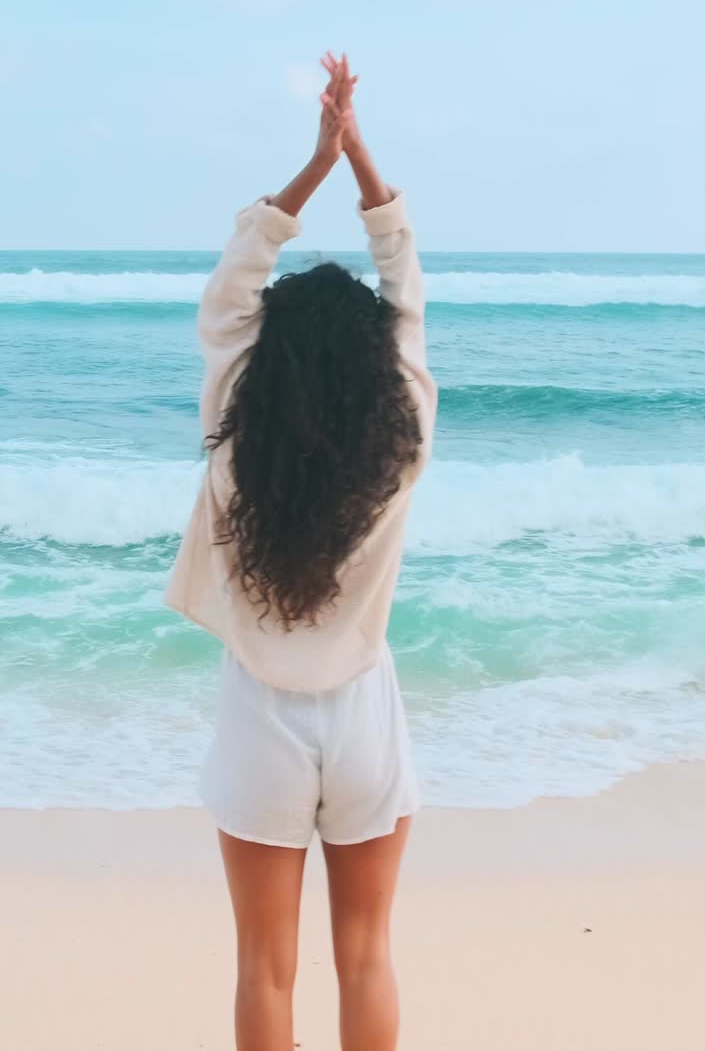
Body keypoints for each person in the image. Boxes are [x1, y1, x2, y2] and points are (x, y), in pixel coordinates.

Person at [165, 53, 437, 1051]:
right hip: (364, 712)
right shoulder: (402, 435)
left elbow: (234, 286)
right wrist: (360, 157)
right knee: (365, 952)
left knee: (263, 968)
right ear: (374, 362)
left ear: (268, 352)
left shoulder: (236, 423)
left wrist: (312, 167)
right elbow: (404, 288)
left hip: (259, 717)